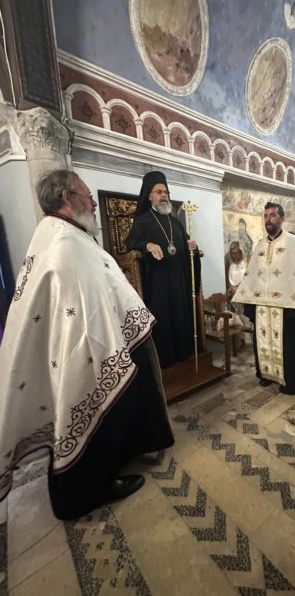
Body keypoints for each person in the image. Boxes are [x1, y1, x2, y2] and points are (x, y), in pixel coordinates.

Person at [0, 170, 174, 520]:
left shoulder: (57, 233)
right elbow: (79, 305)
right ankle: (90, 490)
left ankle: (117, 459)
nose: (93, 202)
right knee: (86, 402)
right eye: (87, 194)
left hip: (95, 339)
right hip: (82, 349)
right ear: (66, 197)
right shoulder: (62, 243)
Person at [233, 202, 295, 394]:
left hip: (288, 305)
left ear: (282, 218)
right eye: (265, 216)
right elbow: (252, 274)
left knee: (289, 344)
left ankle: (292, 381)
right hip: (263, 306)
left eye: (272, 215)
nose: (268, 220)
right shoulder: (259, 245)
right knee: (263, 340)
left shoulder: (293, 242)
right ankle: (267, 375)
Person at [125, 171, 199, 368]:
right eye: (159, 192)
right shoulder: (142, 221)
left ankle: (183, 354)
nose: (164, 195)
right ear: (149, 196)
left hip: (178, 280)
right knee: (163, 318)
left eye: (166, 192)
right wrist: (147, 245)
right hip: (157, 282)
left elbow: (185, 247)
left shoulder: (175, 222)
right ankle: (165, 361)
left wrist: (192, 247)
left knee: (180, 315)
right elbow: (130, 244)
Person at [225, 241, 248, 351]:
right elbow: (229, 280)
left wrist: (238, 288)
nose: (235, 255)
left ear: (241, 252)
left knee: (244, 319)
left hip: (244, 295)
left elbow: (247, 280)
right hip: (233, 295)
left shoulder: (246, 263)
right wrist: (231, 288)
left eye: (237, 253)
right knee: (236, 319)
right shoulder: (231, 265)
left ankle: (246, 341)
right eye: (233, 253)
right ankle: (241, 342)